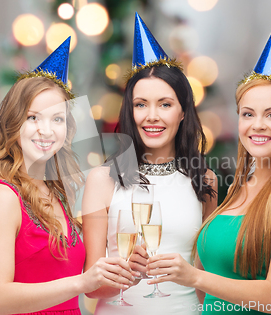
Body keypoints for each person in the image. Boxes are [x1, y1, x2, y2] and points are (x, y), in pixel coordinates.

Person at [146, 23, 271, 314]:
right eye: (248, 114)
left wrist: (195, 276)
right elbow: (208, 292)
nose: (257, 124)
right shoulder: (239, 188)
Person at [0, 37, 135, 315]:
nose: (46, 130)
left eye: (57, 119)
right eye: (33, 117)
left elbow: (89, 279)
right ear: (14, 123)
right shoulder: (2, 197)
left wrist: (129, 266)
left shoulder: (61, 193)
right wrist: (80, 282)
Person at [81, 13, 218, 315]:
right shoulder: (102, 179)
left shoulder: (205, 179)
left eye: (165, 104)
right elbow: (91, 285)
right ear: (130, 111)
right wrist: (126, 273)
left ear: (183, 112)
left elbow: (204, 277)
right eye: (141, 104)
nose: (151, 116)